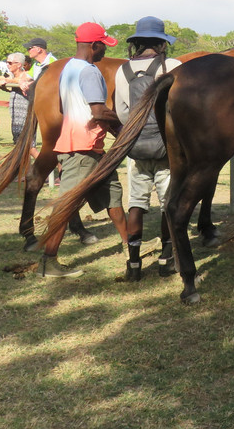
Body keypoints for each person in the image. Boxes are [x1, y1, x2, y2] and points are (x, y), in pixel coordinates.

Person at [37, 22, 128, 277]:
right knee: (66, 207)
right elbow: (98, 112)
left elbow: (67, 109)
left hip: (89, 146)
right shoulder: (89, 72)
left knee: (112, 195)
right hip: (81, 148)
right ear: (94, 45)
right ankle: (48, 262)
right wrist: (122, 124)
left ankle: (130, 245)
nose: (104, 54)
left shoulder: (68, 68)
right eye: (103, 48)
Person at [114, 16, 183, 281]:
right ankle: (166, 258)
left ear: (137, 43)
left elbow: (122, 114)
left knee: (136, 205)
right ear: (161, 43)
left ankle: (133, 265)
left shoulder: (122, 71)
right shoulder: (173, 65)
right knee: (169, 205)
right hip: (166, 148)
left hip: (136, 148)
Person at [1, 52, 33, 143]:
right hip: (15, 115)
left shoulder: (26, 74)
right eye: (7, 62)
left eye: (10, 63)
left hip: (25, 114)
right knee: (17, 139)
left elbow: (22, 80)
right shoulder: (10, 75)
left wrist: (6, 80)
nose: (7, 64)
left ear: (19, 65)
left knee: (27, 142)